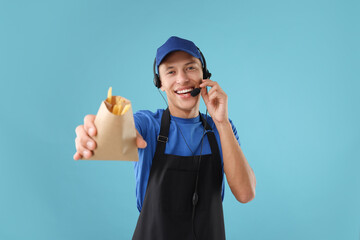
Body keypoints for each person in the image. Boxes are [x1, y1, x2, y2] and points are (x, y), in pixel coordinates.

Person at [74, 36, 256, 240]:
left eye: (190, 68)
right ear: (159, 83)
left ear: (204, 75)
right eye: (171, 71)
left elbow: (246, 194)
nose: (182, 79)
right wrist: (100, 131)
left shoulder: (221, 129)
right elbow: (121, 129)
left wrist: (222, 123)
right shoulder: (148, 125)